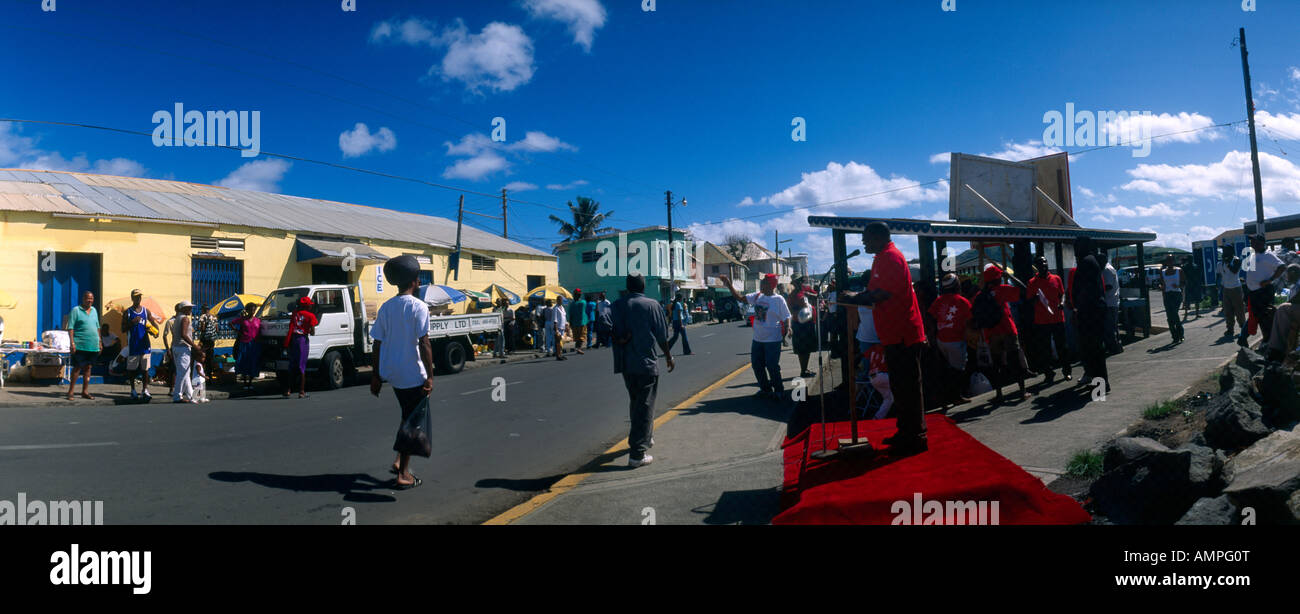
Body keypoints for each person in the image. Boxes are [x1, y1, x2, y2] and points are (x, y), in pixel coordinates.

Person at [836, 222, 928, 454]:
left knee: (908, 387)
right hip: (892, 334)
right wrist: (858, 296)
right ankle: (905, 431)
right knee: (899, 386)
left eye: (867, 239)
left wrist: (856, 297)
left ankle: (916, 437)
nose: (864, 243)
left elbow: (883, 293)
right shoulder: (881, 258)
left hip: (903, 333)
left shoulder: (890, 257)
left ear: (879, 237)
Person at [369, 255, 436, 490]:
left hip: (394, 374)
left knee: (407, 414)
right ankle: (403, 474)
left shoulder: (386, 307)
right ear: (415, 281)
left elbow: (376, 343)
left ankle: (399, 461)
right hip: (413, 375)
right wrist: (430, 375)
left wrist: (376, 376)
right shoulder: (419, 306)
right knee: (412, 422)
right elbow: (424, 343)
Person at [610, 273, 674, 467]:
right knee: (645, 406)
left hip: (625, 364)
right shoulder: (651, 305)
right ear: (643, 286)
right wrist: (669, 356)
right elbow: (661, 335)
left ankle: (646, 436)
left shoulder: (616, 305)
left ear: (627, 287)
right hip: (645, 363)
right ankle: (637, 454)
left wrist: (620, 339)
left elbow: (605, 327)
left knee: (636, 402)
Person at [719, 272, 791, 400]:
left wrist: (788, 327)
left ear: (770, 285)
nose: (761, 284)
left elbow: (786, 316)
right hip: (758, 339)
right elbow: (740, 298)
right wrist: (728, 284)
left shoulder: (779, 299)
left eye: (764, 282)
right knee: (757, 365)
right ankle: (765, 389)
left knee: (772, 365)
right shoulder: (758, 296)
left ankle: (779, 390)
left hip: (772, 340)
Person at [973, 264, 1031, 402]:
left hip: (991, 333)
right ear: (998, 278)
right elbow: (1025, 290)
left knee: (997, 364)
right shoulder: (1002, 290)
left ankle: (999, 394)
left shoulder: (980, 295)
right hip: (1007, 330)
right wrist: (1010, 276)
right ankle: (1022, 392)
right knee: (1014, 361)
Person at [927, 274, 973, 405]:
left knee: (947, 368)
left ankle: (946, 396)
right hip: (956, 340)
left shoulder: (939, 300)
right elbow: (970, 320)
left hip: (941, 339)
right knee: (957, 370)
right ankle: (956, 396)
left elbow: (930, 316)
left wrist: (932, 333)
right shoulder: (962, 301)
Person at [1072, 236, 1110, 394]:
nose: (1075, 250)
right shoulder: (1091, 261)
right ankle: (1100, 384)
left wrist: (1079, 309)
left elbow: (1085, 291)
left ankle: (1101, 386)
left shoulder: (1086, 262)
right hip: (1093, 311)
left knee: (1094, 350)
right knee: (1095, 350)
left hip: (1090, 313)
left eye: (1077, 246)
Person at [1027, 255, 1072, 383]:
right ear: (1036, 266)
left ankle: (1067, 371)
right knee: (1044, 349)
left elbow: (1062, 294)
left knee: (1062, 347)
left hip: (1057, 318)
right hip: (1042, 321)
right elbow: (1028, 302)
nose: (1044, 265)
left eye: (1045, 262)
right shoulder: (1032, 282)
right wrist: (1034, 299)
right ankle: (1049, 373)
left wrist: (1062, 303)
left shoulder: (1056, 278)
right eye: (1041, 263)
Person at [1245, 234, 1285, 346]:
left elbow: (1282, 267)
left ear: (1261, 243)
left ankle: (1271, 341)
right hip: (1253, 292)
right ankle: (1266, 339)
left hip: (1263, 291)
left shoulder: (1268, 255)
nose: (1251, 243)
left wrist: (1269, 280)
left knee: (1266, 317)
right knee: (1259, 318)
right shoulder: (1253, 255)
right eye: (1251, 242)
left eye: (1254, 241)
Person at [65, 290, 100, 401]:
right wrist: (72, 343)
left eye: (91, 298)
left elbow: (97, 327)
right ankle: (70, 392)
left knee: (88, 368)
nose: (89, 300)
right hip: (80, 345)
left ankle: (85, 391)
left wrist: (100, 342)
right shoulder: (76, 310)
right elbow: (70, 327)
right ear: (83, 299)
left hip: (93, 345)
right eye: (87, 298)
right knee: (77, 368)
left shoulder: (94, 310)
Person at [122, 289, 155, 401]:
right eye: (136, 297)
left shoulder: (146, 311)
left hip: (145, 345)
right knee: (132, 370)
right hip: (133, 345)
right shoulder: (128, 312)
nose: (138, 298)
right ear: (132, 298)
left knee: (145, 369)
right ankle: (133, 390)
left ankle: (145, 390)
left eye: (139, 296)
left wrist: (154, 331)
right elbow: (123, 328)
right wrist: (132, 322)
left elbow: (154, 325)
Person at [282, 296, 317, 398]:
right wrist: (309, 330)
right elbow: (313, 332)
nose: (311, 306)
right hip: (303, 340)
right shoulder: (311, 316)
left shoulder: (295, 314)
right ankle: (301, 391)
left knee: (292, 366)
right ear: (307, 306)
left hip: (293, 340)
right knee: (302, 367)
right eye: (310, 305)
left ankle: (288, 390)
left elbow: (291, 328)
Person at [789, 281, 818, 378]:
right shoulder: (793, 295)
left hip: (808, 323)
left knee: (807, 348)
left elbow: (816, 295)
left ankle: (805, 369)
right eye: (798, 282)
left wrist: (809, 294)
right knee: (802, 349)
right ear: (794, 284)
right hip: (800, 323)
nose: (800, 284)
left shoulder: (805, 290)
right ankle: (803, 370)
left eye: (801, 281)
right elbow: (791, 309)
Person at [231, 304, 262, 390]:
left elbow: (260, 331)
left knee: (253, 362)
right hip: (244, 343)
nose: (252, 312)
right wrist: (237, 331)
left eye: (254, 310)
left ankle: (250, 382)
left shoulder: (258, 320)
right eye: (250, 310)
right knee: (244, 361)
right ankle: (245, 382)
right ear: (247, 310)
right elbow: (231, 323)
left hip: (255, 344)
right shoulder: (243, 319)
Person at [170, 301, 197, 404]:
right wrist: (194, 346)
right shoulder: (185, 319)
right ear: (183, 309)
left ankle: (191, 396)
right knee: (182, 373)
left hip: (176, 347)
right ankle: (177, 396)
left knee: (185, 373)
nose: (191, 309)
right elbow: (184, 335)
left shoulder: (177, 318)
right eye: (189, 308)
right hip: (183, 348)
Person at [1218, 247, 1247, 340]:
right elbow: (1219, 274)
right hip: (1226, 289)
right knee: (1228, 310)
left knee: (1239, 310)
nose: (1224, 252)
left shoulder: (1236, 260)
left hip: (1236, 288)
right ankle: (1230, 329)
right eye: (1224, 251)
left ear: (1231, 252)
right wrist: (1217, 284)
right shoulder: (1220, 262)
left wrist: (1227, 263)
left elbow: (1234, 271)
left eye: (1226, 251)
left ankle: (1243, 327)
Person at [1158, 254, 1187, 344]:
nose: (1169, 262)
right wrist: (1161, 288)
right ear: (1166, 262)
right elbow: (1162, 284)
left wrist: (1178, 285)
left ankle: (1180, 334)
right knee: (1169, 317)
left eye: (1171, 260)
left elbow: (1184, 283)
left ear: (1174, 261)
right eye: (1168, 260)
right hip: (1167, 295)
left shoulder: (1179, 271)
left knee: (1174, 313)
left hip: (1176, 294)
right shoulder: (1162, 272)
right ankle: (1174, 336)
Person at [1099, 251, 1123, 354]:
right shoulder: (1111, 268)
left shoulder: (1106, 270)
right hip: (1113, 302)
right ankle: (1117, 346)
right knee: (1113, 326)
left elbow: (1108, 286)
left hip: (1109, 302)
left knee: (1110, 327)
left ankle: (1114, 347)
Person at [196, 305, 218, 379]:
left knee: (203, 357)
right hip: (212, 341)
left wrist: (199, 328)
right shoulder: (214, 317)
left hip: (204, 340)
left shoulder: (203, 317)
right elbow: (217, 329)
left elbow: (202, 329)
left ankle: (204, 375)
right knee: (210, 358)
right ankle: (210, 376)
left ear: (203, 310)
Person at [568, 289, 588, 356]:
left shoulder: (572, 304)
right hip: (582, 322)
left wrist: (570, 322)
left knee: (577, 337)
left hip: (575, 323)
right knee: (582, 336)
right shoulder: (583, 302)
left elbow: (570, 314)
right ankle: (578, 348)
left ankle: (577, 348)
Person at [550, 296, 568, 361]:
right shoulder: (555, 308)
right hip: (558, 327)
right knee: (557, 342)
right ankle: (558, 355)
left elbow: (564, 317)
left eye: (561, 300)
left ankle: (560, 354)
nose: (560, 301)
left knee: (561, 342)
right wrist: (556, 329)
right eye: (559, 300)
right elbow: (555, 319)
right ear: (557, 300)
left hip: (562, 327)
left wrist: (566, 326)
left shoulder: (562, 308)